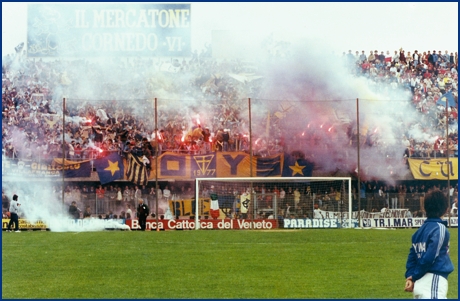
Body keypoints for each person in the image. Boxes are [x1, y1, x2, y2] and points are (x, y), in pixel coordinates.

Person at [404, 190, 454, 299]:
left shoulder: (418, 232)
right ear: (445, 209)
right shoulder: (440, 229)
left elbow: (412, 257)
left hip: (420, 284)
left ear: (425, 208)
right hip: (433, 281)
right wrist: (414, 276)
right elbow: (430, 257)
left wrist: (410, 277)